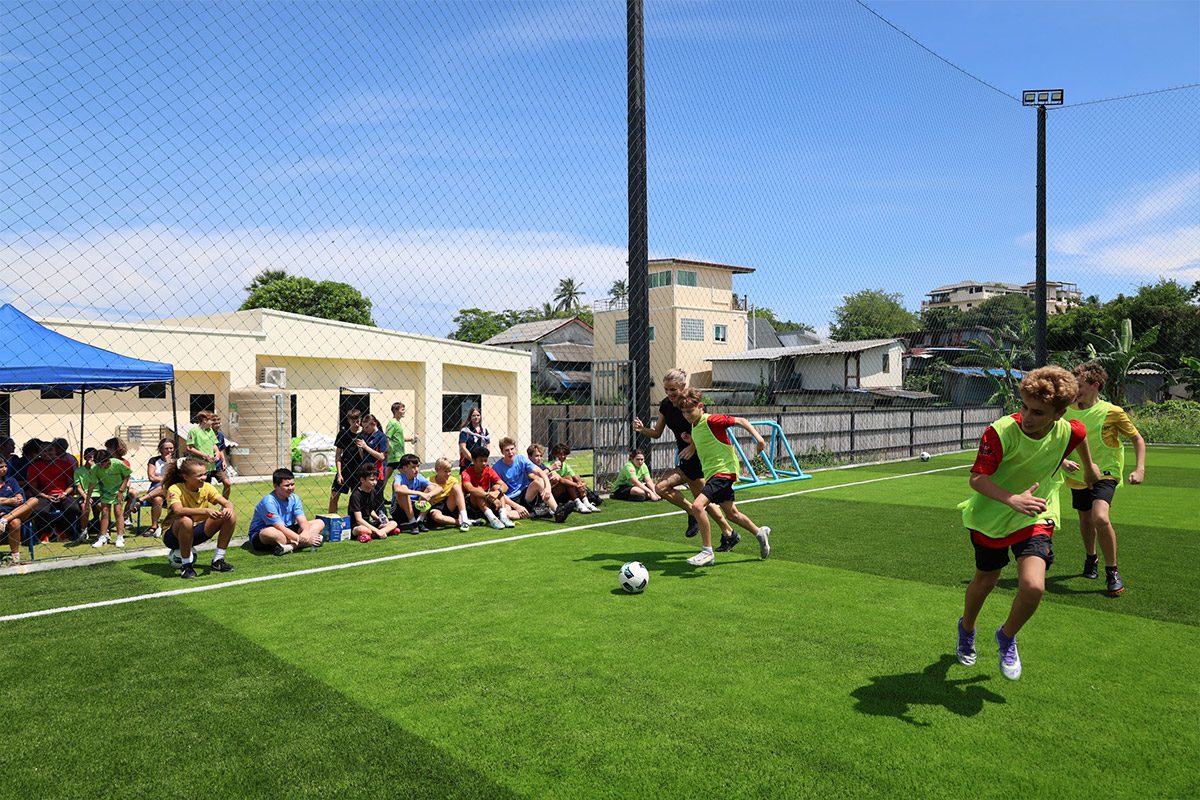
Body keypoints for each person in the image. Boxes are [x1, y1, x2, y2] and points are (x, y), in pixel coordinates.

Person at [955, 366, 1101, 681]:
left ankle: (1007, 636)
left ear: (1059, 413)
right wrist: (1011, 499)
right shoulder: (1000, 431)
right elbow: (977, 479)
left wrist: (1089, 470)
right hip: (991, 516)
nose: (1027, 416)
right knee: (986, 581)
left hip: (1036, 512)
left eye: (1037, 412)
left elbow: (1079, 436)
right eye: (1023, 406)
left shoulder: (1069, 429)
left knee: (1033, 587)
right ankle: (967, 628)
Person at [1063, 362, 1145, 596]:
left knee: (1100, 517)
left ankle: (1113, 572)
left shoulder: (1113, 412)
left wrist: (1139, 469)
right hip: (1078, 474)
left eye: (1079, 385)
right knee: (1086, 520)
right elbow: (1051, 440)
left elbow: (1137, 439)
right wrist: (1063, 462)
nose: (1074, 390)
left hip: (1106, 473)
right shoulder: (1066, 411)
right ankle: (1091, 559)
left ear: (1095, 385)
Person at [634, 368, 734, 543]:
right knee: (692, 499)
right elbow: (657, 433)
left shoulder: (691, 404)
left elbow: (705, 430)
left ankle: (727, 532)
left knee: (702, 501)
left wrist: (693, 446)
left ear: (683, 386)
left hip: (699, 458)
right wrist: (642, 430)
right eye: (666, 389)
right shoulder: (665, 405)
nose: (670, 393)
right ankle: (724, 530)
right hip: (686, 458)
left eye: (673, 389)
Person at [676, 389, 772, 567]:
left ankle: (707, 551)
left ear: (700, 406)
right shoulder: (695, 425)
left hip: (724, 472)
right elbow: (706, 440)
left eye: (689, 411)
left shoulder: (712, 420)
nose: (686, 415)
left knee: (697, 506)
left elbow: (741, 421)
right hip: (714, 474)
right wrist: (691, 442)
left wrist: (759, 439)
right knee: (732, 514)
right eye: (683, 412)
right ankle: (760, 533)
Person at [162, 458, 237, 579]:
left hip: (195, 532)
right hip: (173, 536)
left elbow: (227, 503)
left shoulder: (207, 487)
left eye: (205, 474)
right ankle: (186, 566)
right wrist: (206, 511)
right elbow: (178, 510)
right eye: (199, 475)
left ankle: (218, 560)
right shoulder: (175, 488)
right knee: (186, 520)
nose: (204, 477)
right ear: (185, 477)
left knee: (230, 515)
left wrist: (228, 508)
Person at [248, 468, 325, 556]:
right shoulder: (268, 502)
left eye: (292, 484)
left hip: (288, 528)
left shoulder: (294, 498)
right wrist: (302, 539)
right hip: (270, 531)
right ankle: (306, 543)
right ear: (276, 486)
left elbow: (302, 520)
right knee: (271, 533)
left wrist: (306, 532)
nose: (291, 488)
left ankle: (289, 547)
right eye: (287, 485)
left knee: (319, 522)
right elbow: (280, 527)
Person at [495, 437, 572, 523]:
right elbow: (498, 492)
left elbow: (540, 473)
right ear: (502, 452)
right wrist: (517, 507)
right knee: (505, 514)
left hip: (525, 494)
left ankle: (557, 511)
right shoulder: (497, 468)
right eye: (507, 450)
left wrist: (548, 488)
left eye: (512, 449)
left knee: (539, 481)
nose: (510, 452)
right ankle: (534, 514)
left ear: (515, 449)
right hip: (509, 499)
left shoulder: (521, 459)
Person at [27, 439, 82, 543]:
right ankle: (46, 532)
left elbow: (71, 484)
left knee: (73, 509)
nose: (47, 453)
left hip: (63, 493)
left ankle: (63, 530)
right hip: (44, 495)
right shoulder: (34, 466)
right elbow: (33, 487)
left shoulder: (65, 464)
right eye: (43, 451)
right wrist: (45, 496)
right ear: (39, 453)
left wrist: (65, 493)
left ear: (55, 451)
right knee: (39, 511)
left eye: (49, 450)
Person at [90, 439, 132, 548]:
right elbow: (92, 484)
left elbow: (127, 476)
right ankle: (102, 537)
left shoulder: (117, 463)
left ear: (108, 460)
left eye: (103, 463)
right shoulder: (95, 468)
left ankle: (119, 537)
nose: (101, 466)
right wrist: (87, 498)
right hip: (106, 491)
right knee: (104, 512)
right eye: (98, 464)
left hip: (119, 490)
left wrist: (121, 491)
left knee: (118, 512)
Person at [461, 446, 512, 530]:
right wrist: (489, 496)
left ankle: (503, 516)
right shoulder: (466, 473)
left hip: (486, 501)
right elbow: (470, 488)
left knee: (497, 487)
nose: (484, 463)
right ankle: (492, 519)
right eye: (481, 461)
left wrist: (496, 493)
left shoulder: (488, 470)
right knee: (478, 490)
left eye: (485, 460)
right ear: (473, 461)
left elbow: (504, 486)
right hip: (472, 504)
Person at [329, 408, 367, 514]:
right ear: (348, 420)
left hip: (359, 471)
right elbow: (338, 456)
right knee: (333, 497)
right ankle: (331, 521)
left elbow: (366, 457)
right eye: (353, 421)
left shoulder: (364, 434)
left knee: (358, 499)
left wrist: (361, 448)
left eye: (358, 421)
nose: (356, 424)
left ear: (361, 419)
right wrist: (339, 474)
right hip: (345, 469)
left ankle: (356, 521)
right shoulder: (343, 434)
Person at [548, 443, 599, 513]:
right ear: (555, 454)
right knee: (568, 479)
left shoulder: (565, 465)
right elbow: (561, 480)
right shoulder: (550, 465)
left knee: (577, 478)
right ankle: (578, 502)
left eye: (564, 454)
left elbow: (575, 476)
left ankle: (585, 502)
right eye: (560, 454)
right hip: (553, 493)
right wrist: (577, 485)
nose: (562, 456)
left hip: (565, 492)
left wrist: (581, 483)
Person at [350, 465, 397, 542]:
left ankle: (372, 535)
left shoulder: (373, 491)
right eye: (371, 480)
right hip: (357, 526)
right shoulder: (356, 495)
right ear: (362, 480)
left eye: (376, 480)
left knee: (393, 523)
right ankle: (380, 533)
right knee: (362, 529)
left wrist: (378, 519)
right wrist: (376, 530)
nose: (374, 482)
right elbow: (358, 519)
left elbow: (370, 510)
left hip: (369, 523)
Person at [383, 401, 419, 497]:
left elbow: (398, 438)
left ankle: (379, 498)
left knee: (385, 478)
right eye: (402, 409)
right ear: (395, 410)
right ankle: (407, 495)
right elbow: (387, 438)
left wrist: (411, 439)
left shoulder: (397, 423)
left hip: (397, 455)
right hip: (395, 455)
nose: (404, 411)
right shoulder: (393, 423)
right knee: (408, 475)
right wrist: (386, 451)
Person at [426, 457, 472, 531]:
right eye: (445, 471)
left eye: (449, 471)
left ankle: (464, 518)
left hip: (448, 504)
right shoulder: (429, 480)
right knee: (436, 517)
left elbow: (458, 495)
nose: (448, 474)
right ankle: (460, 522)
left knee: (456, 487)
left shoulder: (453, 480)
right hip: (435, 506)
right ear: (437, 470)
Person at [186, 412, 225, 497]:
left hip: (210, 465)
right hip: (199, 465)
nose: (213, 422)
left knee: (207, 487)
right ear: (204, 420)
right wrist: (203, 455)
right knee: (199, 488)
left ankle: (205, 507)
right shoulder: (193, 431)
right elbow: (189, 447)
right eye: (211, 420)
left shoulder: (210, 430)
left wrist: (217, 453)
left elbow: (214, 444)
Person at [143, 438, 175, 538]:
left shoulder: (176, 461)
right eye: (167, 448)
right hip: (156, 488)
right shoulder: (154, 460)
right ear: (161, 449)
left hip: (171, 489)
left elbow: (175, 476)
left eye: (171, 448)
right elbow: (151, 477)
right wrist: (165, 479)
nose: (169, 451)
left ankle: (141, 499)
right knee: (157, 499)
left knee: (166, 487)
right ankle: (154, 526)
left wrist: (169, 463)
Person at [359, 414, 389, 514]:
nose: (365, 429)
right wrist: (360, 448)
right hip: (367, 471)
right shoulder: (366, 436)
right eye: (364, 427)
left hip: (378, 473)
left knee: (378, 499)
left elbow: (381, 456)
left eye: (367, 427)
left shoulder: (382, 437)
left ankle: (384, 521)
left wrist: (365, 447)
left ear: (374, 424)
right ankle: (371, 519)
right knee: (367, 498)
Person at [0, 460, 29, 565]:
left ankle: (4, 520)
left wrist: (16, 499)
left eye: (5, 466)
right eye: (1, 467)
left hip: (14, 511)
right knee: (15, 522)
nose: (4, 469)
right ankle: (15, 556)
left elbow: (20, 498)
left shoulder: (11, 481)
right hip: (4, 512)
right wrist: (10, 500)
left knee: (34, 501)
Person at [72, 447, 98, 542]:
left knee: (104, 507)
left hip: (98, 494)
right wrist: (86, 497)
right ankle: (83, 530)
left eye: (92, 456)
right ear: (84, 457)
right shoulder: (79, 471)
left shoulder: (99, 469)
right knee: (85, 507)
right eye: (88, 455)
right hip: (85, 494)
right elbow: (79, 487)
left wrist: (94, 468)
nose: (90, 458)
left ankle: (104, 530)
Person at [458, 407, 490, 471]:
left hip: (481, 463)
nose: (476, 417)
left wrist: (483, 459)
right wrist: (474, 460)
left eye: (478, 415)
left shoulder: (484, 430)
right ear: (470, 417)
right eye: (473, 415)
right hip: (468, 463)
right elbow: (462, 447)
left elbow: (488, 444)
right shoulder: (465, 431)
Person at [210, 417, 233, 499]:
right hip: (207, 465)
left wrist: (223, 461)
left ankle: (224, 505)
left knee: (227, 483)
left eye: (219, 423)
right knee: (205, 488)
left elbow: (221, 449)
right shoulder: (205, 435)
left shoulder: (220, 435)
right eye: (215, 423)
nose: (217, 425)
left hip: (217, 465)